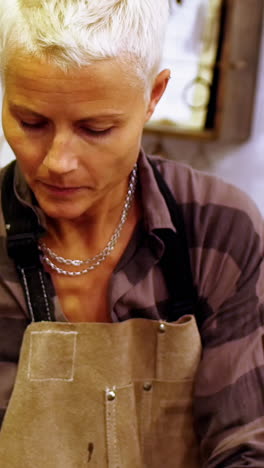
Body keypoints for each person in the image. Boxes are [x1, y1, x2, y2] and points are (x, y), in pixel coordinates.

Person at [0, 0, 263, 467]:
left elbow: (246, 445)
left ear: (153, 96)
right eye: (31, 122)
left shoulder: (218, 231)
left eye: (96, 128)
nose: (58, 161)